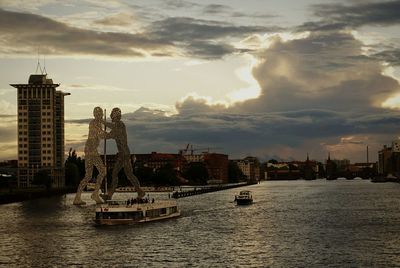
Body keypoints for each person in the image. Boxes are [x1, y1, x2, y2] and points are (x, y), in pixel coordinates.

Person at [104, 107, 145, 200]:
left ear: (117, 116)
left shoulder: (120, 125)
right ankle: (139, 191)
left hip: (124, 154)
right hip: (123, 154)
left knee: (119, 174)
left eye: (113, 114)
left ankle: (110, 195)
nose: (112, 116)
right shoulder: (116, 127)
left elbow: (112, 129)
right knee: (126, 174)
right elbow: (108, 135)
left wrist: (102, 122)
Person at [73, 107, 107, 205]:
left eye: (101, 115)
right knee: (102, 171)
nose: (100, 116)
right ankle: (95, 194)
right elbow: (100, 134)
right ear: (95, 115)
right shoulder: (93, 123)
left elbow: (100, 134)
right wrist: (112, 134)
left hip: (91, 150)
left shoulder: (98, 123)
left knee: (88, 176)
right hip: (91, 150)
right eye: (98, 114)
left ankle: (78, 197)